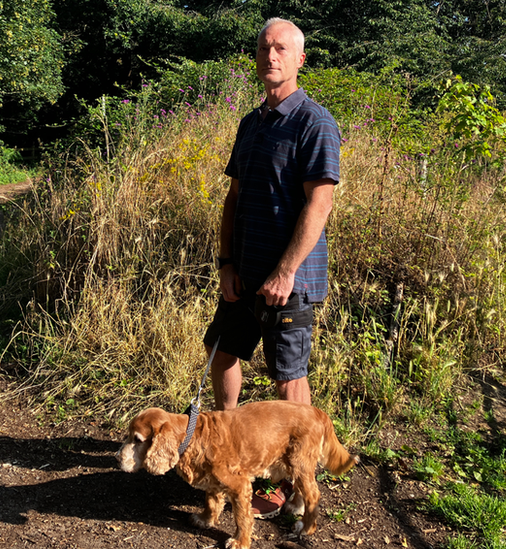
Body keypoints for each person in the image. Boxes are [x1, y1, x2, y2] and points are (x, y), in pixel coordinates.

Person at [202, 17, 341, 518]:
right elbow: (233, 198)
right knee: (222, 352)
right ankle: (230, 447)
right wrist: (226, 264)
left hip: (291, 281)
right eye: (264, 48)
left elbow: (319, 205)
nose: (271, 55)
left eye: (281, 48)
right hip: (243, 272)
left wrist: (284, 272)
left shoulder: (315, 122)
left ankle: (288, 480)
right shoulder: (250, 123)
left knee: (289, 379)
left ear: (300, 59)